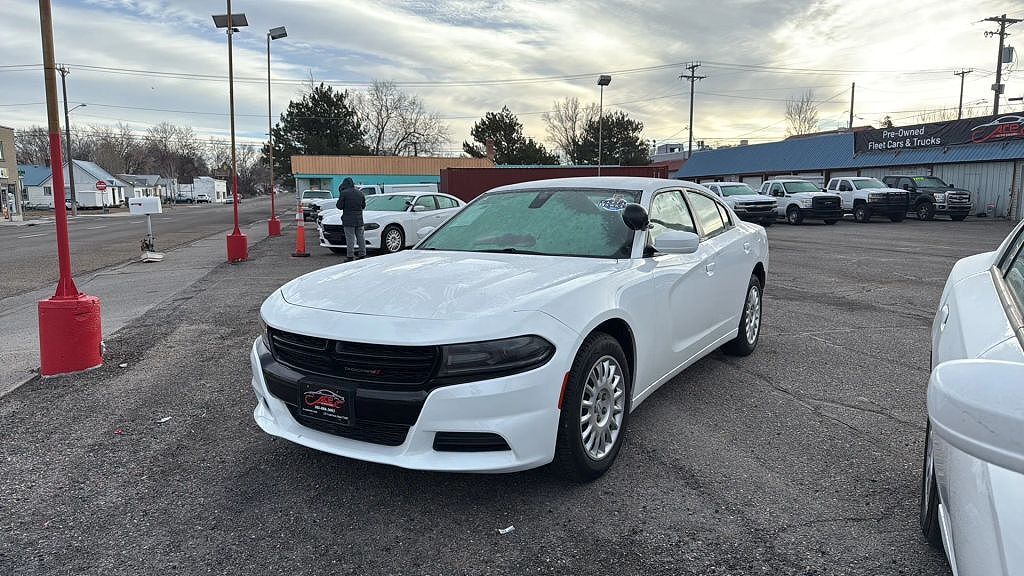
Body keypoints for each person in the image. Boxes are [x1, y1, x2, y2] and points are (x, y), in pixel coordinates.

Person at [336, 177, 366, 261]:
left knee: (350, 238)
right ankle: (362, 254)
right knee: (360, 238)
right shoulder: (360, 193)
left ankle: (350, 256)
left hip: (348, 220)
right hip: (359, 220)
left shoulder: (344, 193)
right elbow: (363, 206)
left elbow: (339, 206)